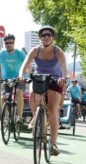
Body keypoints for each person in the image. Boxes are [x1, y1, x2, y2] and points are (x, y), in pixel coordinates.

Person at [18, 26, 67, 156]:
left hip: (55, 80)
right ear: (40, 37)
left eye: (49, 35)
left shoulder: (58, 51)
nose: (46, 37)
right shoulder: (35, 50)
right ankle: (35, 117)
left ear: (53, 38)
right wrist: (21, 74)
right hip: (39, 78)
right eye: (44, 35)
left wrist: (63, 77)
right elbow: (25, 64)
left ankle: (54, 144)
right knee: (32, 93)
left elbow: (63, 66)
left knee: (52, 111)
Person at [0, 34, 27, 125]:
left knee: (19, 92)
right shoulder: (2, 54)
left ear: (14, 43)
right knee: (3, 97)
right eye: (6, 43)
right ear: (4, 44)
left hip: (19, 78)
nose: (8, 45)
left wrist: (24, 75)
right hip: (7, 79)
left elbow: (27, 65)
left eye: (11, 43)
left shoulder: (20, 53)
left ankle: (19, 116)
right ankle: (7, 117)